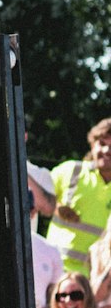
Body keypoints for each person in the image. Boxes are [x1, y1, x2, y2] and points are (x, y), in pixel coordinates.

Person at [47, 119, 111, 278]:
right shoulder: (71, 170)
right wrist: (57, 208)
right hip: (56, 270)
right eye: (102, 143)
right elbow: (36, 199)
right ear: (92, 144)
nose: (107, 150)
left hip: (97, 279)